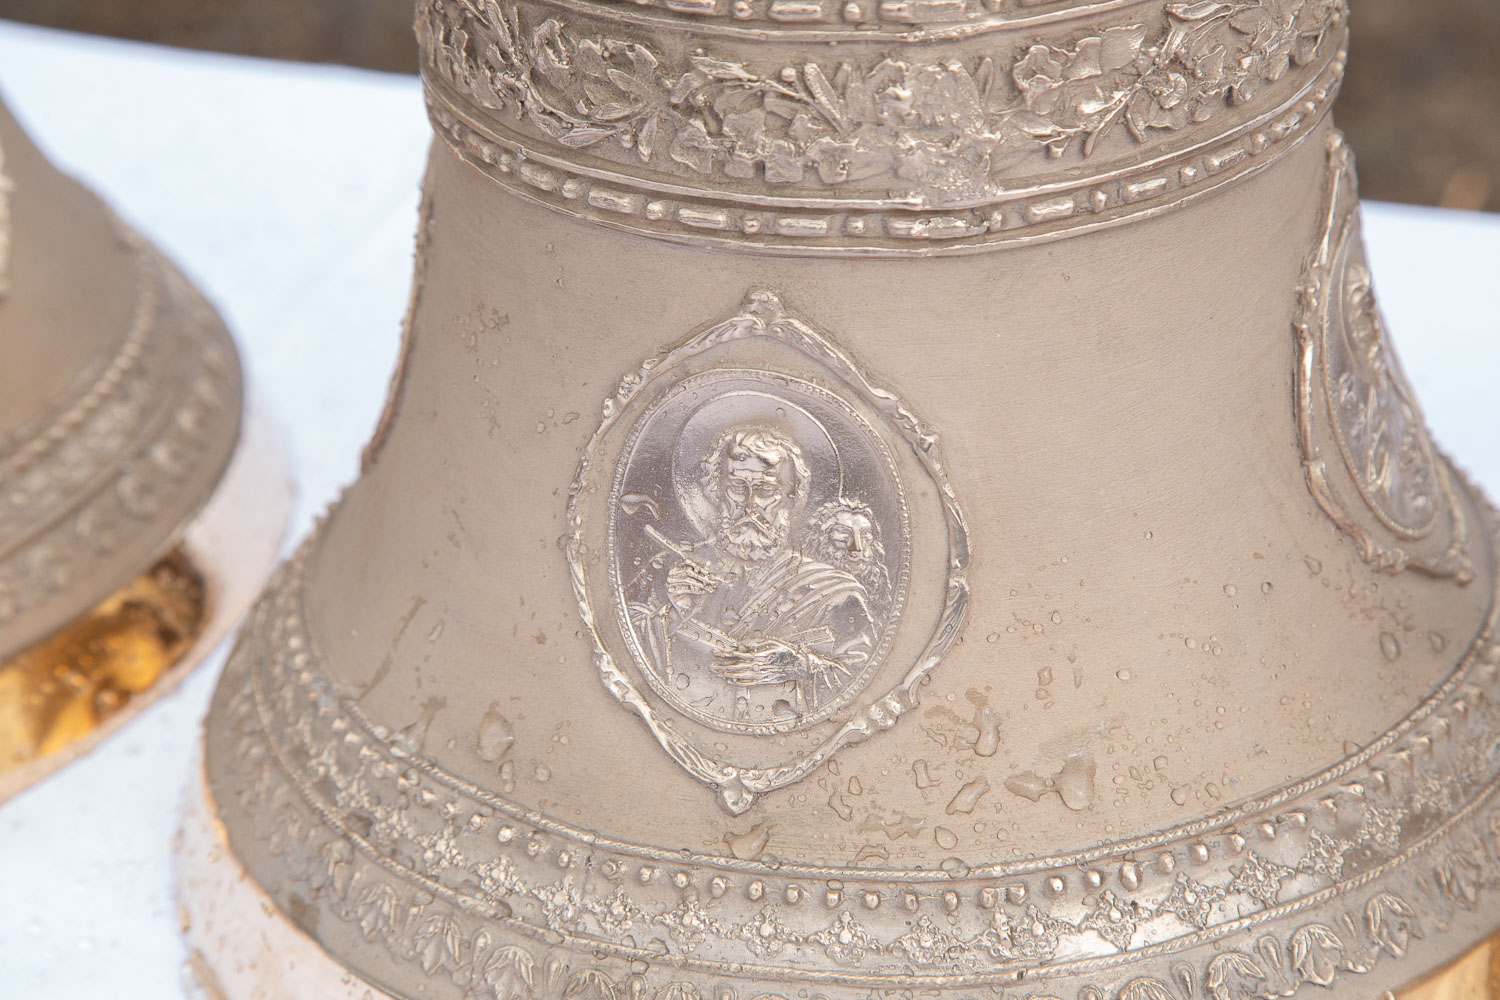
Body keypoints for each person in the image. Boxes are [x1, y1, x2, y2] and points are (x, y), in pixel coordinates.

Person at [634, 427, 877, 723]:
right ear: (717, 491)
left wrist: (800, 666)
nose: (749, 507)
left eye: (764, 491)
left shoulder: (835, 592)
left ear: (791, 497)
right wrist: (672, 614)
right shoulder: (672, 571)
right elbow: (629, 663)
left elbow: (866, 684)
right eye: (738, 488)